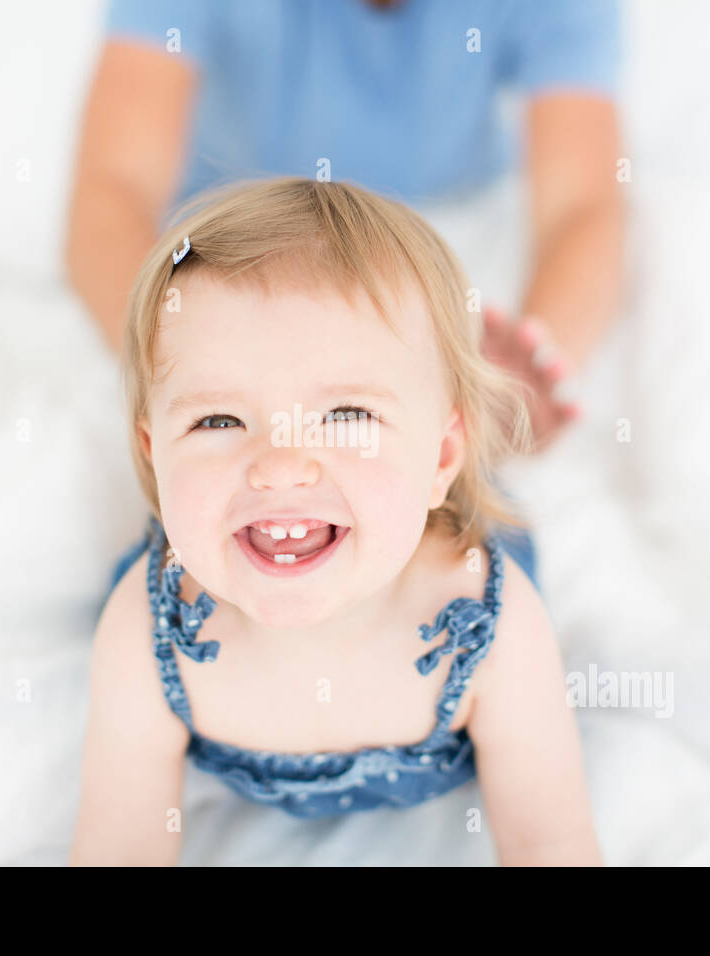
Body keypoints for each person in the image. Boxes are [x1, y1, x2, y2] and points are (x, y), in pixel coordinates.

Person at [69, 178, 601, 865]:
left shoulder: (488, 626)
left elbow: (550, 844)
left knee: (474, 491)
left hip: (433, 525)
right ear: (152, 453)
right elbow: (119, 848)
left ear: (441, 455)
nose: (281, 465)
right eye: (219, 420)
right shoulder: (150, 629)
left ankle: (494, 425)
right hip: (342, 508)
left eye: (347, 416)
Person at [65, 0, 625, 455]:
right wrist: (176, 358)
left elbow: (582, 204)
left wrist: (519, 379)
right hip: (228, 225)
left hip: (451, 218)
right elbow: (112, 189)